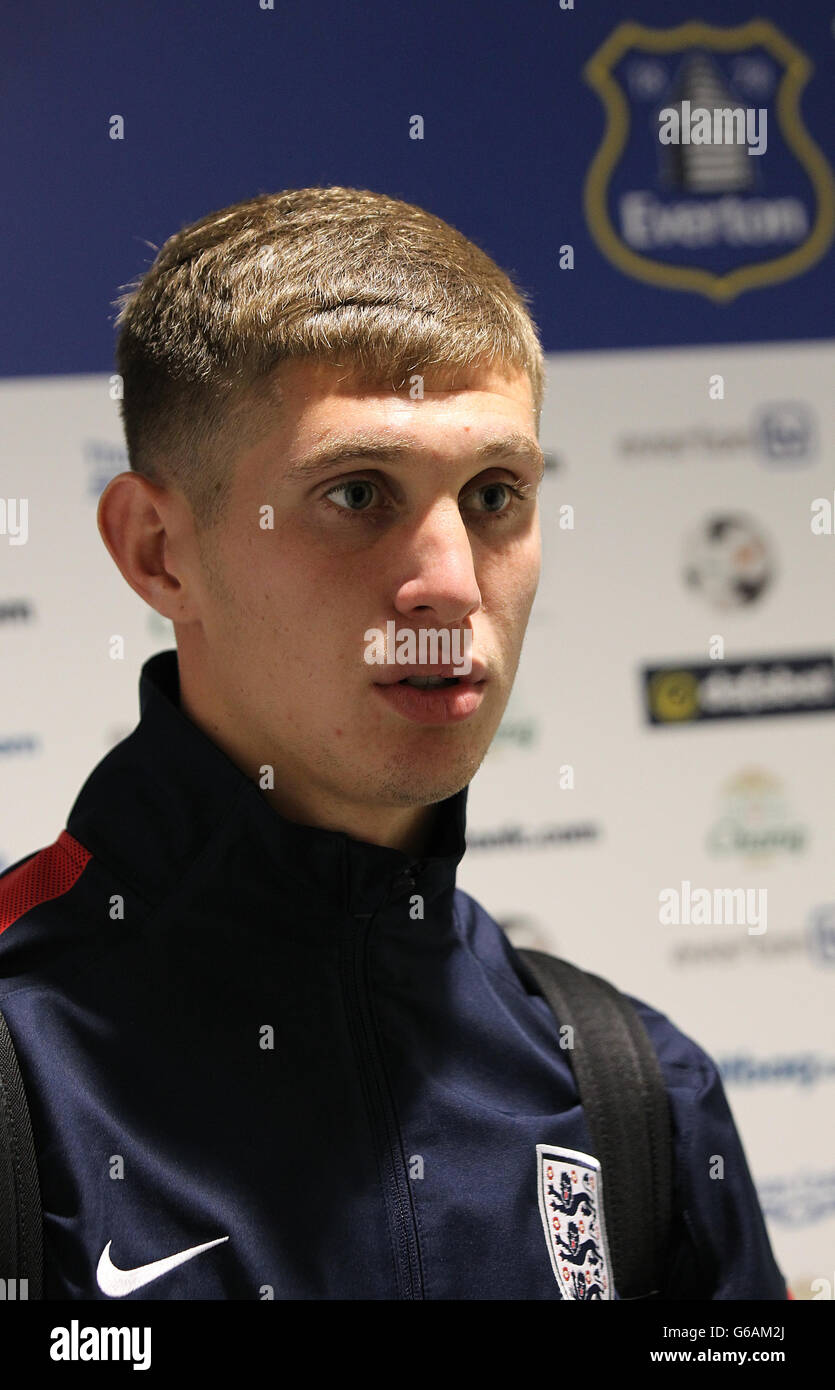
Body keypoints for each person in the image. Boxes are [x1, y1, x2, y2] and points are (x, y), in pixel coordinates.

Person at [0, 186, 788, 1300]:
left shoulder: (638, 1093)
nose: (451, 586)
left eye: (494, 494)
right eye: (359, 491)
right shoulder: (20, 1067)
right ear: (158, 548)